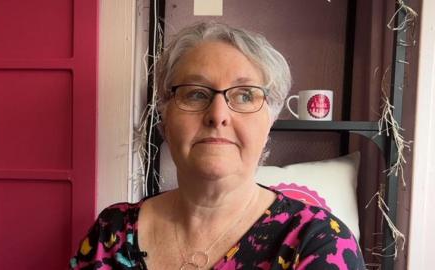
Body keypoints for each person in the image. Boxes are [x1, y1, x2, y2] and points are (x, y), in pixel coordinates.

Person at [70, 22, 365, 270]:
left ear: (270, 120)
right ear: (165, 117)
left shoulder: (318, 242)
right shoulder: (112, 231)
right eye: (196, 94)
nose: (217, 115)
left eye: (245, 95)